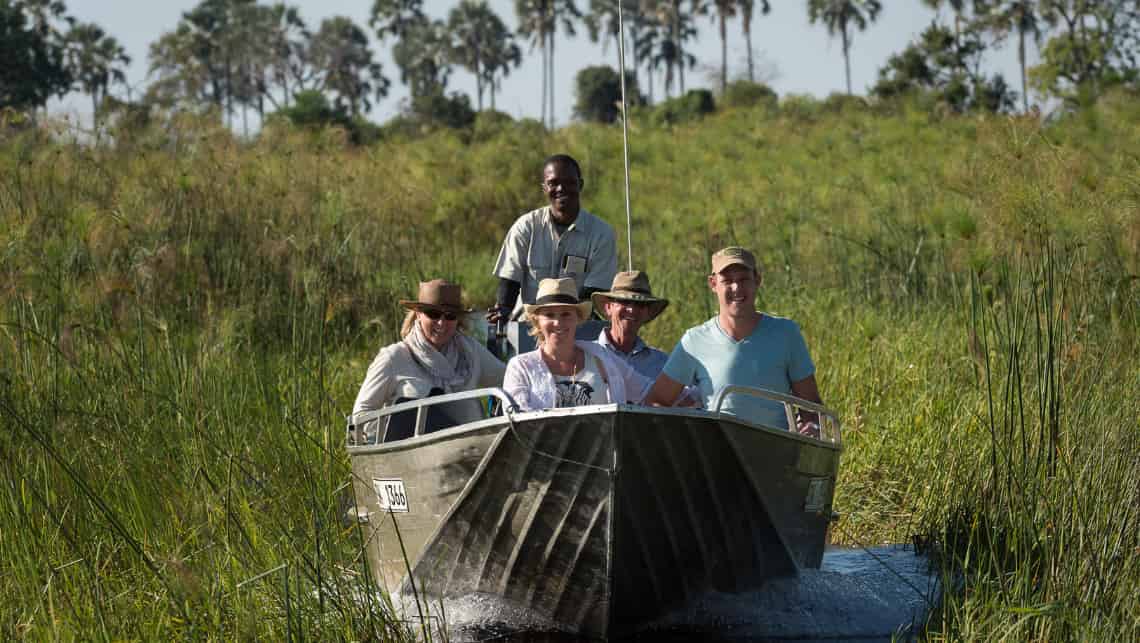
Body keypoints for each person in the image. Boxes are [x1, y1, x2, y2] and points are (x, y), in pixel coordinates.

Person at [644, 247, 823, 435]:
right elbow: (657, 401)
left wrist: (812, 427)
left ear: (757, 280)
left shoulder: (786, 333)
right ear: (713, 284)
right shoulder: (694, 341)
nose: (736, 288)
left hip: (776, 451)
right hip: (717, 452)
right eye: (727, 281)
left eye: (744, 279)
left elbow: (811, 405)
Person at [487, 154, 618, 324]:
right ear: (544, 188)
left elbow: (594, 293)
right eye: (553, 183)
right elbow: (509, 281)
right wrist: (503, 310)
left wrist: (563, 323)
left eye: (569, 182)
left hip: (575, 326)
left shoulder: (601, 234)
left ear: (580, 185)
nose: (561, 188)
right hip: (527, 324)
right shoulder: (526, 227)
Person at [353, 279, 505, 423]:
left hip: (473, 448)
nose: (441, 323)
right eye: (433, 314)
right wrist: (390, 437)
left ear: (458, 319)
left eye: (450, 316)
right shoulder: (393, 358)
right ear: (418, 314)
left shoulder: (471, 352)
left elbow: (508, 379)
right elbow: (361, 414)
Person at [503, 278, 651, 412]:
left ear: (578, 318)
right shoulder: (520, 367)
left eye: (566, 314)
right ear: (537, 321)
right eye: (549, 315)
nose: (558, 322)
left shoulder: (602, 356)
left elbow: (648, 393)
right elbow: (518, 421)